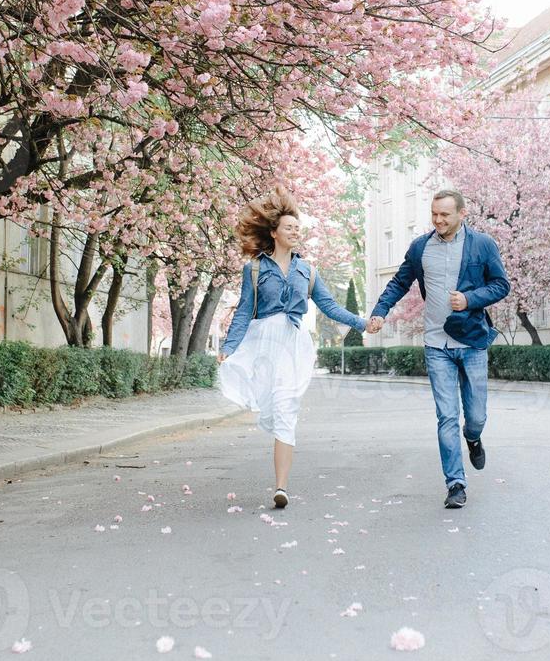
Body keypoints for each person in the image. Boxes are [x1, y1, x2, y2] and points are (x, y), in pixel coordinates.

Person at [217, 187, 367, 510]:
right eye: (289, 227)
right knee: (272, 407)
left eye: (298, 228)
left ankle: (281, 487)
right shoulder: (254, 269)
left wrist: (362, 323)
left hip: (293, 344)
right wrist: (229, 347)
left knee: (286, 411)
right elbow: (244, 310)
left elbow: (330, 307)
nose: (295, 232)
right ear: (274, 233)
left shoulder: (307, 271)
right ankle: (279, 479)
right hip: (263, 345)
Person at [367, 189, 509, 509]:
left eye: (445, 214)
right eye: (434, 214)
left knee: (475, 416)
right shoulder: (421, 248)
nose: (438, 220)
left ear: (462, 213)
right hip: (436, 344)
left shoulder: (482, 245)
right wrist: (380, 311)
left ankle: (472, 438)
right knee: (446, 416)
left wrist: (470, 299)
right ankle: (455, 483)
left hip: (471, 341)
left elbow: (501, 284)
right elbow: (399, 283)